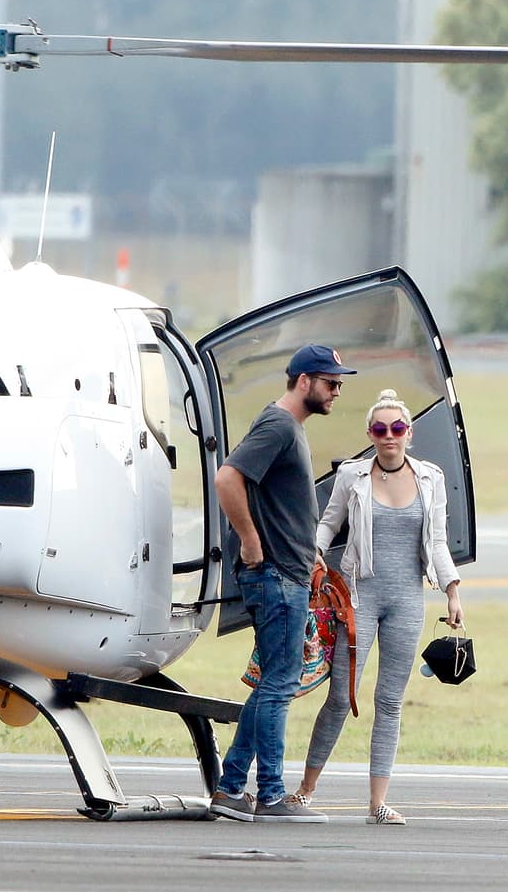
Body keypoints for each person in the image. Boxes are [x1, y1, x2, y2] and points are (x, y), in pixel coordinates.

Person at [290, 389, 463, 826]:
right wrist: (314, 553)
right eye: (381, 429)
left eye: (398, 428)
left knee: (390, 701)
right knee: (339, 696)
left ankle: (377, 803)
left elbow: (438, 539)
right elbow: (329, 522)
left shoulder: (430, 478)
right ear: (370, 434)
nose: (390, 436)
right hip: (359, 598)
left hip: (406, 599)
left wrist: (452, 589)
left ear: (409, 434)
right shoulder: (353, 476)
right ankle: (305, 790)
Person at [209, 343, 356, 824]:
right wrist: (251, 542)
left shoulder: (287, 428)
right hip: (276, 577)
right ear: (303, 381)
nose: (337, 390)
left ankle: (231, 789)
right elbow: (227, 478)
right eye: (330, 382)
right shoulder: (278, 425)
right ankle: (270, 795)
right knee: (278, 686)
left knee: (270, 685)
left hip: (288, 573)